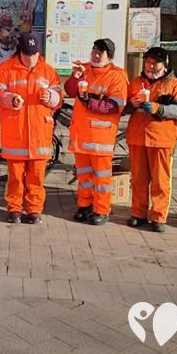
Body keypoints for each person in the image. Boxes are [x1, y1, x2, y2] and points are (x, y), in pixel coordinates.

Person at [0, 33, 62, 225]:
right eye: (26, 54)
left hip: (40, 133)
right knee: (15, 177)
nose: (30, 58)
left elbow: (58, 96)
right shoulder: (6, 69)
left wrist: (51, 98)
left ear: (39, 53)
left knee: (37, 177)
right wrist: (11, 99)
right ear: (20, 52)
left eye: (34, 54)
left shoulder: (48, 71)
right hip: (15, 133)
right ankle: (14, 209)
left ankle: (34, 209)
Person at [64, 39, 128, 225]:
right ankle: (85, 206)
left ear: (110, 56)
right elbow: (70, 90)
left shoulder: (117, 76)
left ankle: (102, 210)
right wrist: (75, 77)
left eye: (101, 52)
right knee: (84, 175)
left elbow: (116, 106)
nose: (96, 55)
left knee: (101, 177)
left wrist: (90, 103)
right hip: (81, 135)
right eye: (94, 50)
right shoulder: (84, 70)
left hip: (101, 138)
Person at [125, 47, 177, 232]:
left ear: (164, 64)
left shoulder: (174, 84)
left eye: (155, 63)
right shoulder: (136, 82)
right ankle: (138, 213)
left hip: (162, 138)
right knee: (138, 179)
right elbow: (122, 107)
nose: (151, 66)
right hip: (137, 136)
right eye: (148, 62)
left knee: (161, 180)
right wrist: (131, 104)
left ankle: (158, 216)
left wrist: (158, 108)